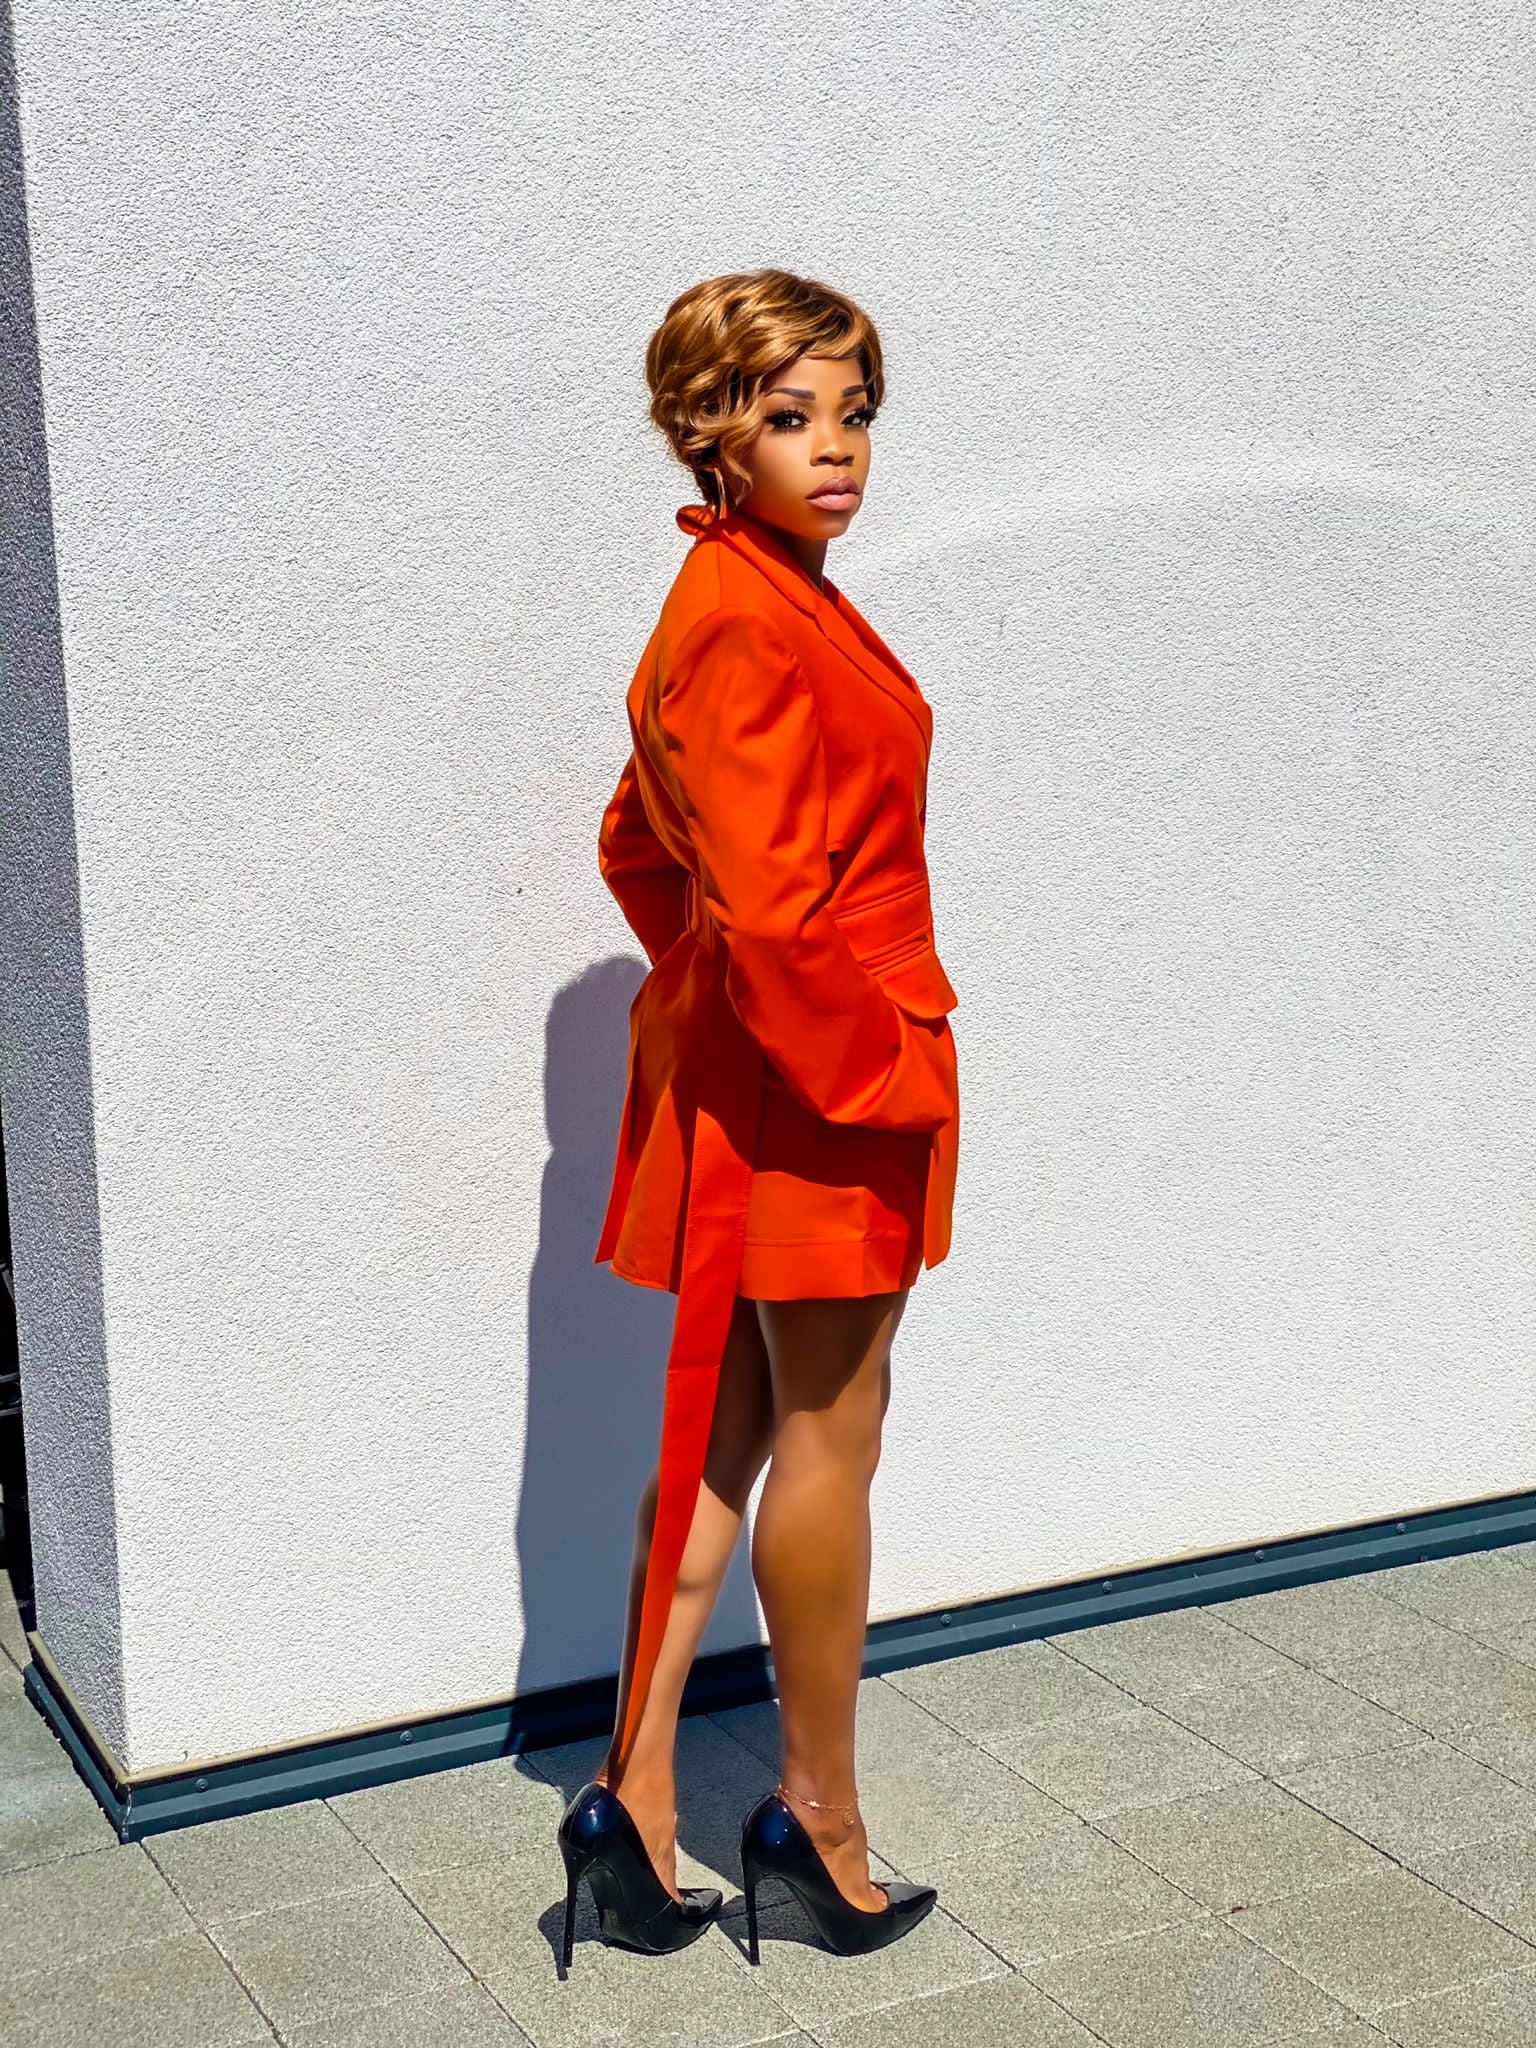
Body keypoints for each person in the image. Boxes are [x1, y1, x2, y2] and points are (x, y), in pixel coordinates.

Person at [555, 268, 961, 1971]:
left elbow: (637, 843)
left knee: (721, 1441)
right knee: (829, 1437)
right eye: (792, 416)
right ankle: (818, 1828)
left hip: (774, 1068)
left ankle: (634, 1805)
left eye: (854, 412)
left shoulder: (756, 591)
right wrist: (872, 1069)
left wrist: (720, 990)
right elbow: (771, 911)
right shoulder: (741, 612)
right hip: (821, 1088)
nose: (837, 447)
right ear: (713, 433)